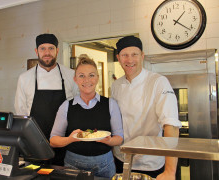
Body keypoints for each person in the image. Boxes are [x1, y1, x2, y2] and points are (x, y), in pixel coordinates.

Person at [111, 36, 182, 180]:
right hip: (121, 159)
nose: (129, 60)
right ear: (118, 58)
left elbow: (172, 125)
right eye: (125, 55)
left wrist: (170, 171)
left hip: (150, 162)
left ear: (142, 56)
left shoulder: (158, 82)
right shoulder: (116, 85)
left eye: (134, 54)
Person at [50, 54, 123, 178]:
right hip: (73, 165)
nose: (87, 80)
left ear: (97, 78)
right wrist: (70, 139)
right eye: (81, 76)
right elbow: (53, 140)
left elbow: (119, 138)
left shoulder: (110, 104)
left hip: (105, 164)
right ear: (75, 79)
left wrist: (109, 140)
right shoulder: (66, 106)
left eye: (91, 75)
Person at [14, 33, 78, 166]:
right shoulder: (24, 78)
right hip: (35, 144)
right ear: (36, 51)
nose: (47, 52)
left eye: (51, 48)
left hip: (64, 143)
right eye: (43, 49)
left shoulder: (71, 75)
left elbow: (77, 108)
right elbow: (20, 113)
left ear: (57, 51)